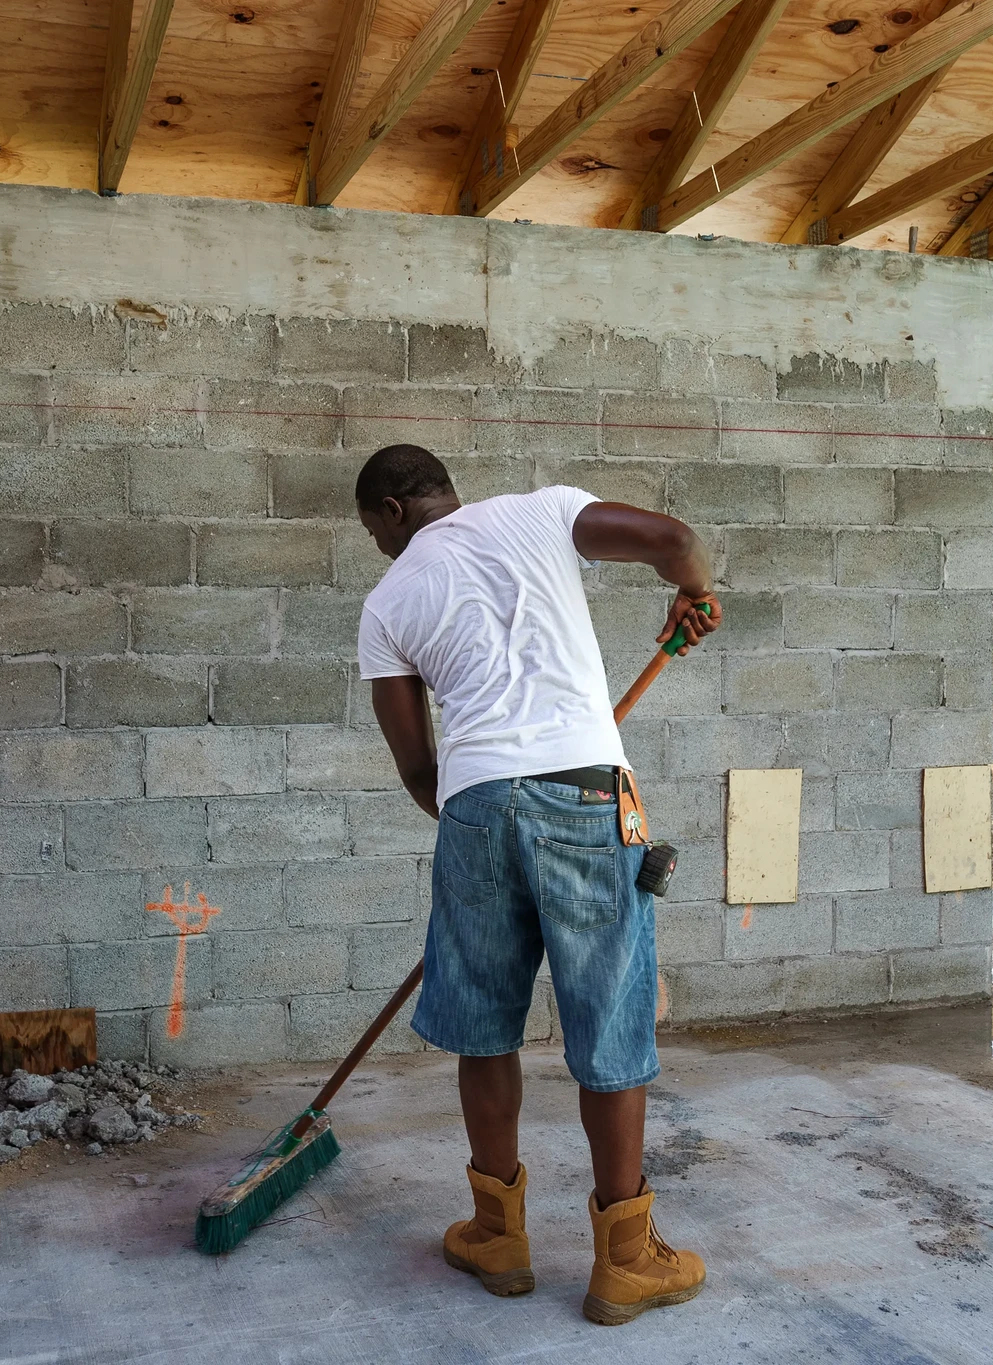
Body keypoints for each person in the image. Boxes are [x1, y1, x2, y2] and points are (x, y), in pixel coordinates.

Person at [353, 442, 722, 1326]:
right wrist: (695, 592)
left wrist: (486, 826)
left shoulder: (386, 602)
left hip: (474, 802)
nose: (380, 547)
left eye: (374, 530)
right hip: (588, 793)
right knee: (607, 1013)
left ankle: (497, 1234)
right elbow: (672, 536)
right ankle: (626, 1258)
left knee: (485, 1028)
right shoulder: (542, 512)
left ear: (394, 512)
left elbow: (416, 765)